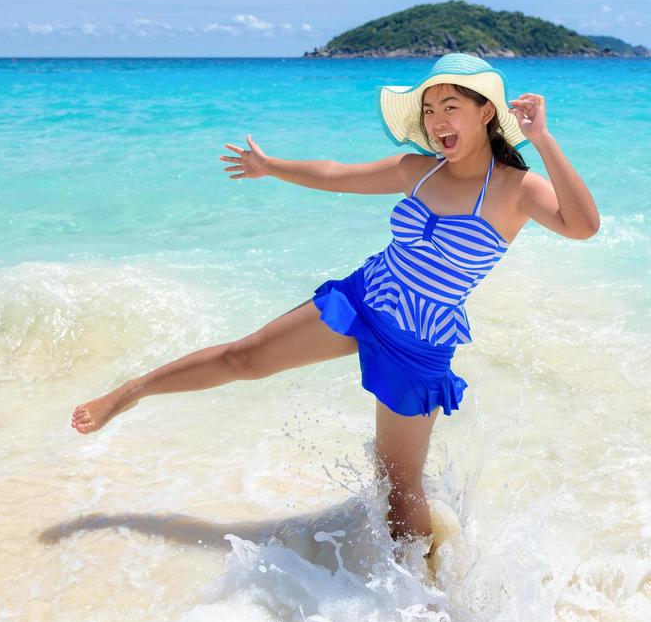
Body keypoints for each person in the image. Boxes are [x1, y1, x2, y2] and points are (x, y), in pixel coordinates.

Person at [70, 53, 600, 558]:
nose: (438, 120)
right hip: (366, 296)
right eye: (430, 110)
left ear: (486, 111)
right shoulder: (417, 169)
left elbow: (583, 226)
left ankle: (420, 593)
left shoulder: (517, 189)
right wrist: (270, 166)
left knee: (399, 490)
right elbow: (333, 174)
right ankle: (132, 392)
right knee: (244, 357)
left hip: (419, 343)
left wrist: (543, 140)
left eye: (451, 108)